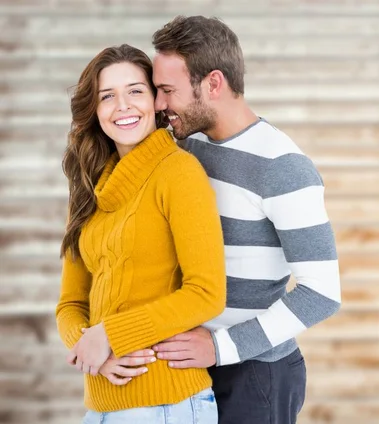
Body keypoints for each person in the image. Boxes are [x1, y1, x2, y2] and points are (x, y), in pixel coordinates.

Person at [147, 16, 342, 424]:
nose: (160, 104)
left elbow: (322, 292)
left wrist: (220, 348)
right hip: (191, 368)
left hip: (255, 374)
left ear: (213, 83)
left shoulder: (282, 167)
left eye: (168, 90)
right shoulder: (190, 145)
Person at [55, 44, 226, 423]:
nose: (123, 106)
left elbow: (207, 294)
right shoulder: (87, 188)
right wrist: (89, 348)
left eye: (135, 91)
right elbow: (70, 304)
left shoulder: (178, 173)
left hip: (168, 405)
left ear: (155, 101)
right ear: (94, 110)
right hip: (100, 407)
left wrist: (111, 335)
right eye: (107, 96)